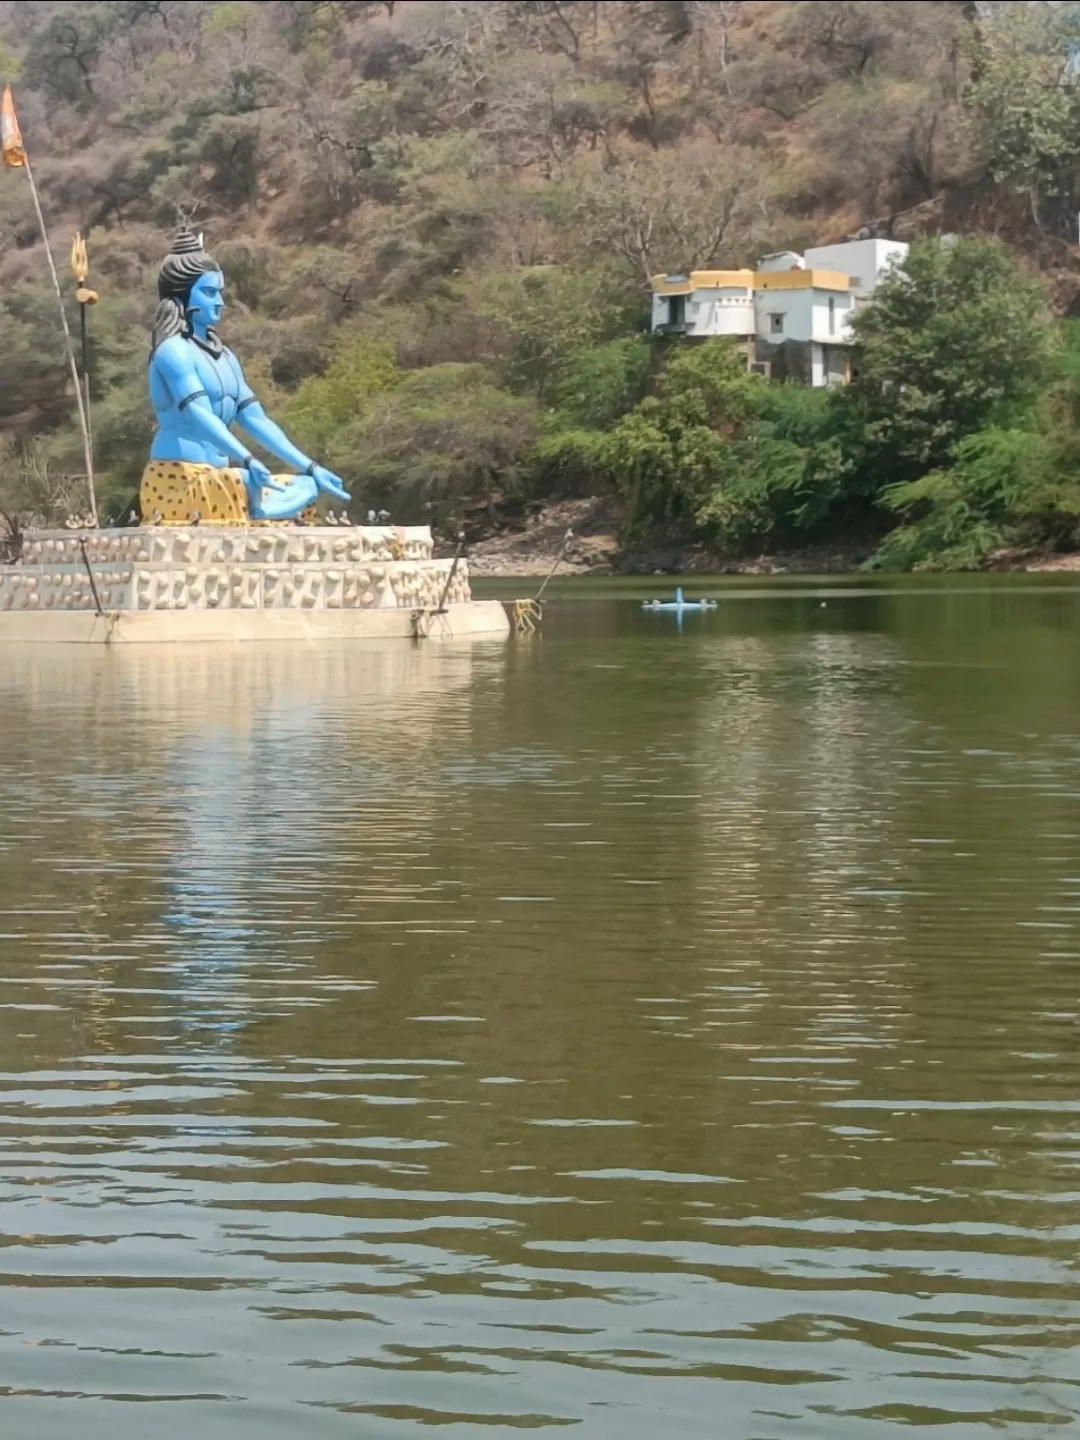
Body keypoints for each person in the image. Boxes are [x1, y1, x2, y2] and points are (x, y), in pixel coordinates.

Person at [141, 229, 350, 525]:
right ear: (183, 296)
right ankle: (256, 506)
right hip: (179, 481)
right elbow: (200, 414)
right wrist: (249, 460)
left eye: (220, 293)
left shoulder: (226, 357)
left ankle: (259, 506)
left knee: (305, 485)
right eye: (210, 293)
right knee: (237, 482)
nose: (220, 302)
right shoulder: (172, 351)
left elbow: (257, 420)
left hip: (224, 476)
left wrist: (311, 467)